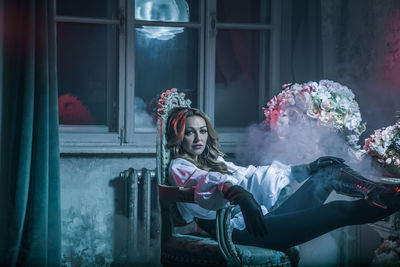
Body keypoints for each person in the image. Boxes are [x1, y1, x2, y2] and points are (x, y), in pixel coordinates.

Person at [165, 107, 400, 251]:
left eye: (202, 130)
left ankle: (382, 192)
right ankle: (394, 197)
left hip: (261, 221)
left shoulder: (215, 159)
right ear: (178, 136)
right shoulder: (180, 166)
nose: (198, 137)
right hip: (241, 233)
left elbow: (250, 176)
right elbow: (207, 183)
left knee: (329, 171)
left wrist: (305, 168)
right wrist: (240, 196)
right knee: (339, 210)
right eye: (189, 132)